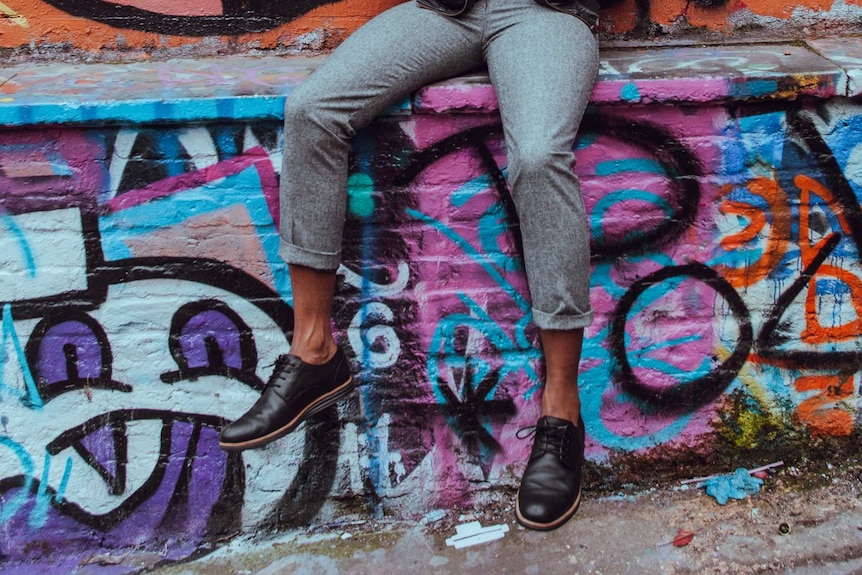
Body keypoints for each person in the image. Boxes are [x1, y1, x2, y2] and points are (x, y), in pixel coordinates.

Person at [218, 0, 600, 532]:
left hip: (544, 15)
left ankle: (561, 411)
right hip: (448, 9)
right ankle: (313, 351)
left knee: (538, 158)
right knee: (312, 110)